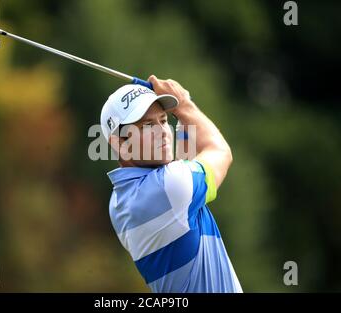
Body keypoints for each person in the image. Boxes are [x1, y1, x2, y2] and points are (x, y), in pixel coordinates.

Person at [100, 75, 242, 292]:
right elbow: (220, 151)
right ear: (119, 143)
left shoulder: (118, 202)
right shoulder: (169, 187)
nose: (163, 133)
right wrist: (184, 105)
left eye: (164, 120)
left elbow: (184, 155)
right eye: (147, 125)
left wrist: (181, 110)